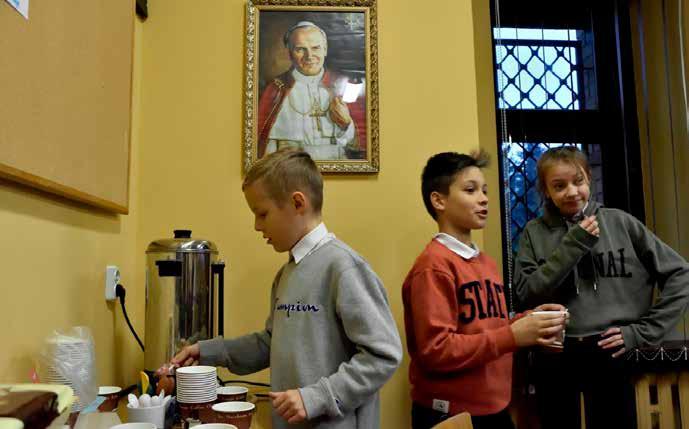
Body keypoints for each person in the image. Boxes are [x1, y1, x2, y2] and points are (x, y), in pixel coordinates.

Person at [163, 148, 402, 428]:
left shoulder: (344, 267)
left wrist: (317, 397)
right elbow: (270, 342)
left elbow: (383, 355)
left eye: (262, 213)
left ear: (298, 203)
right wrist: (207, 351)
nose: (256, 225)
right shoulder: (286, 273)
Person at [514, 146, 689, 429]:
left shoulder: (620, 222)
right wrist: (573, 245)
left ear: (589, 181)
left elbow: (681, 274)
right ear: (546, 191)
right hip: (555, 352)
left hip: (611, 349)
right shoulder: (534, 233)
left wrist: (642, 331)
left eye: (578, 181)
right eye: (559, 186)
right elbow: (526, 294)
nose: (571, 192)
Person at [402, 151, 567, 429]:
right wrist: (513, 335)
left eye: (485, 190)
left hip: (495, 409)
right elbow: (436, 350)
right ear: (438, 200)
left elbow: (490, 329)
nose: (483, 198)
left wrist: (529, 323)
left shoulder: (486, 262)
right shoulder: (433, 266)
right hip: (451, 414)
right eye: (470, 190)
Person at [257, 21, 366, 161]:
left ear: (325, 49)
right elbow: (265, 149)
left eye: (315, 48)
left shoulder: (346, 86)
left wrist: (346, 124)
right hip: (290, 170)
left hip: (339, 169)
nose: (309, 56)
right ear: (289, 53)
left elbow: (361, 146)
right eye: (300, 49)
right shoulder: (276, 89)